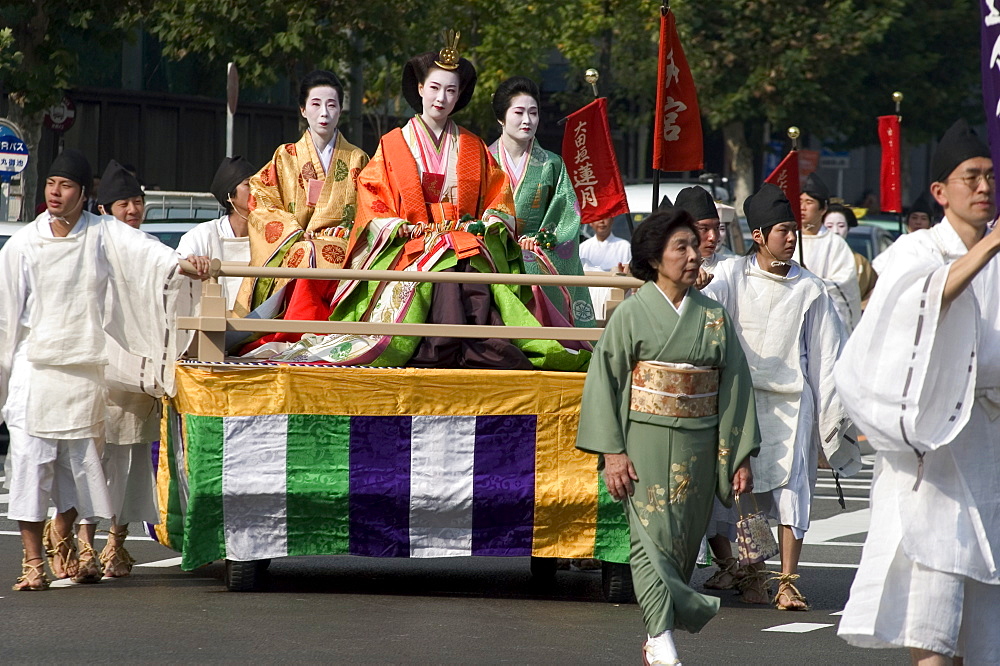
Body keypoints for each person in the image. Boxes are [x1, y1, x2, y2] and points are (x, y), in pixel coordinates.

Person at [272, 37, 588, 371]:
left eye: (451, 91)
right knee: (440, 267)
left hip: (464, 238)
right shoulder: (393, 144)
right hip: (409, 242)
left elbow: (498, 197)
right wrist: (398, 226)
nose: (442, 98)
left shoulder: (472, 145)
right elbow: (372, 198)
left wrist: (490, 222)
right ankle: (433, 347)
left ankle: (477, 347)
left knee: (470, 267)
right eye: (435, 88)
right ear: (420, 89)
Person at [0, 150, 210, 591]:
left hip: (83, 373)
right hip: (33, 371)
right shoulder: (22, 245)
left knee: (82, 469)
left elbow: (147, 255)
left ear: (84, 195)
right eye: (51, 184)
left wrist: (184, 265)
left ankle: (66, 537)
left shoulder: (102, 234)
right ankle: (34, 563)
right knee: (29, 465)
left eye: (67, 186)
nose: (55, 193)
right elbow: (5, 322)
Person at [836, 119, 1000, 664]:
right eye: (970, 177)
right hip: (931, 449)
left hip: (990, 441)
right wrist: (990, 246)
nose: (983, 188)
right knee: (932, 610)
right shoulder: (914, 251)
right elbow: (919, 306)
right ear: (940, 191)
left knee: (983, 615)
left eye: (989, 177)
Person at [576, 208, 759, 665]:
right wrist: (613, 453)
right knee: (651, 539)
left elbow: (735, 383)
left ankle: (662, 629)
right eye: (682, 247)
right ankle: (660, 638)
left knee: (682, 541)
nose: (694, 256)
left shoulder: (714, 317)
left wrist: (737, 455)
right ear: (655, 258)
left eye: (695, 247)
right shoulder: (633, 314)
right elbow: (605, 379)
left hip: (700, 443)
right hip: (644, 440)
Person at [702, 183, 861, 610]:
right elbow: (703, 314)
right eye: (782, 231)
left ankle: (788, 582)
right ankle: (751, 574)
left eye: (794, 230)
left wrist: (831, 419)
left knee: (794, 491)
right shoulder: (731, 276)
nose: (791, 238)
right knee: (743, 492)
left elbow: (829, 356)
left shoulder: (812, 288)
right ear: (758, 235)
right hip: (741, 400)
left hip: (793, 404)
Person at [77, 160, 163, 576]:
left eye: (137, 202)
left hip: (136, 368)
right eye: (123, 203)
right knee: (89, 456)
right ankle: (82, 544)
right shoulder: (90, 243)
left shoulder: (148, 246)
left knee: (128, 461)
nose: (132, 210)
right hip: (95, 366)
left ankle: (116, 544)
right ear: (106, 208)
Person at [234, 70, 369, 318]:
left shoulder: (357, 158)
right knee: (306, 255)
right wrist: (293, 234)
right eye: (315, 104)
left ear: (340, 110)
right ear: (303, 110)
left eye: (332, 105)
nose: (324, 113)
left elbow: (370, 207)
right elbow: (262, 200)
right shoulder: (285, 156)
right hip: (295, 246)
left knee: (319, 258)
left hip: (342, 248)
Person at [488, 76, 595, 328]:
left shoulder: (552, 164)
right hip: (492, 252)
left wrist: (540, 240)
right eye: (519, 112)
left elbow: (566, 217)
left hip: (536, 252)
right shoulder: (484, 161)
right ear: (501, 118)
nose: (527, 120)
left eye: (533, 113)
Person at [177, 156, 256, 311]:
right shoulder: (206, 233)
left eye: (259, 183)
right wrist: (194, 262)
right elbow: (178, 263)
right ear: (230, 195)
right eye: (249, 185)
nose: (257, 190)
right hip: (214, 326)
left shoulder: (268, 235)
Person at [799, 173, 862, 332]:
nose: (803, 207)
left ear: (823, 209)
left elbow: (845, 285)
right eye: (800, 201)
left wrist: (811, 281)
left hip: (825, 322)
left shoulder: (835, 244)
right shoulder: (789, 239)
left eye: (809, 202)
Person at [822, 203, 877, 306]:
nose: (836, 231)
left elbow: (873, 292)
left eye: (841, 226)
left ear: (848, 228)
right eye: (829, 226)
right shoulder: (811, 255)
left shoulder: (860, 262)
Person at [579, 217, 632, 320]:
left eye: (605, 218)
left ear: (612, 220)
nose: (601, 221)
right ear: (590, 223)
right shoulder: (583, 247)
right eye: (597, 218)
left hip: (619, 300)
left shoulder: (624, 247)